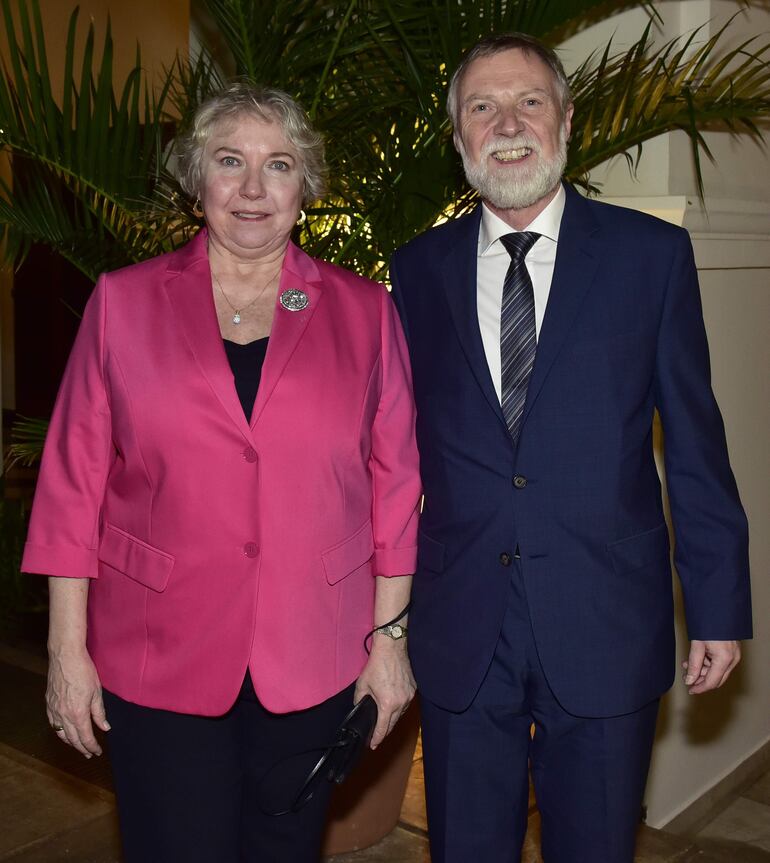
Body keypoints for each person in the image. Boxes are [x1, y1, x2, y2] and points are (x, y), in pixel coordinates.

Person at [22, 82, 421, 863]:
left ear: (305, 184)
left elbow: (397, 487)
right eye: (229, 161)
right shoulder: (123, 303)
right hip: (157, 651)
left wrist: (391, 640)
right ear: (196, 175)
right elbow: (72, 486)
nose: (251, 188)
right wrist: (68, 652)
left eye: (278, 165)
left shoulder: (365, 310)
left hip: (313, 652)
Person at [389, 33, 752, 863]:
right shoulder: (416, 271)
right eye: (481, 107)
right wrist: (382, 620)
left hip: (606, 618)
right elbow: (392, 453)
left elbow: (696, 437)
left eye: (529, 102)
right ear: (458, 137)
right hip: (461, 623)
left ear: (567, 119)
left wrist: (719, 603)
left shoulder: (650, 257)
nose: (506, 123)